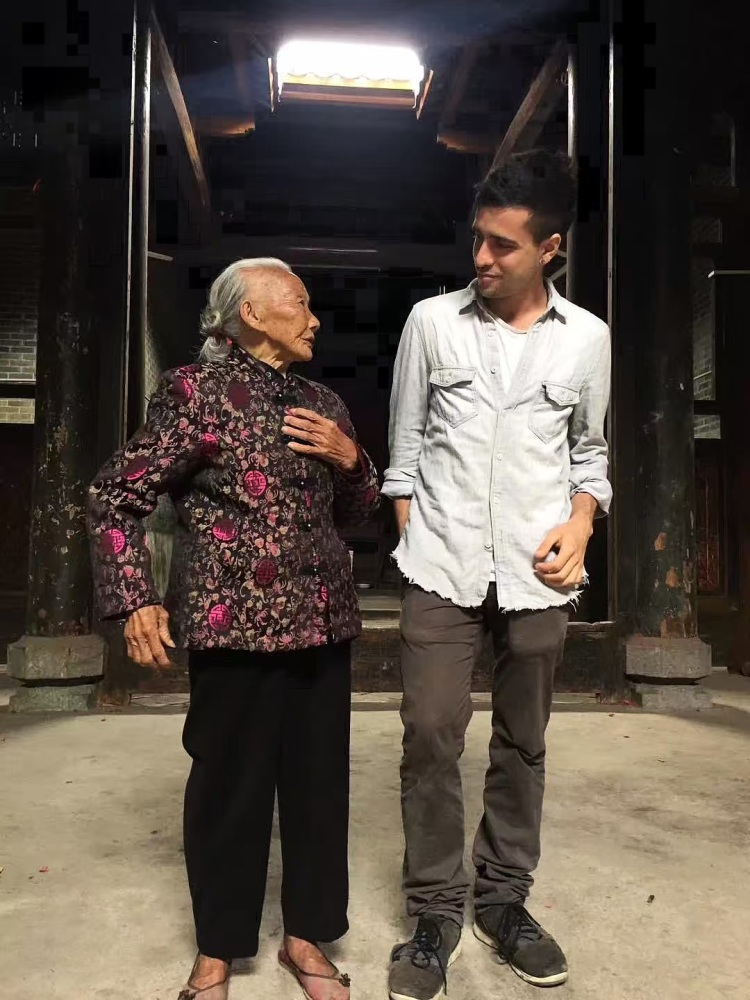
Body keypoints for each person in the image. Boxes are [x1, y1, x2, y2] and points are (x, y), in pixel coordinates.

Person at [87, 258, 380, 1000]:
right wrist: (134, 597)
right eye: (300, 304)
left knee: (319, 790)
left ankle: (307, 938)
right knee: (228, 791)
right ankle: (217, 950)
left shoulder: (323, 403)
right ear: (250, 312)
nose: (314, 319)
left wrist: (352, 461)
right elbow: (116, 494)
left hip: (322, 625)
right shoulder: (194, 392)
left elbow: (357, 516)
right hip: (233, 629)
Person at [383, 150, 611, 999]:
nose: (481, 257)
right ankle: (435, 911)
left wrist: (580, 522)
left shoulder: (587, 339)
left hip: (537, 575)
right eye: (478, 238)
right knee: (430, 733)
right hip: (440, 566)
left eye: (503, 245)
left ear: (549, 248)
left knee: (524, 740)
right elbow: (404, 454)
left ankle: (504, 901)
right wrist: (416, 539)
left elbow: (590, 455)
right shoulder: (431, 323)